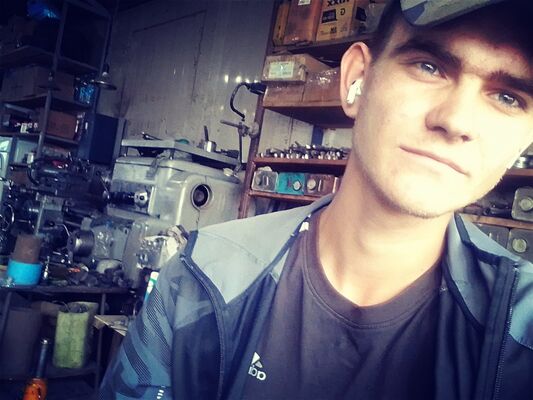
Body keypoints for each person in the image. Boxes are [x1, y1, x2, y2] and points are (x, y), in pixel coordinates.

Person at [100, 0, 533, 398]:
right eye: (429, 66)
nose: (456, 120)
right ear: (357, 79)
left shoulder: (522, 328)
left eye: (508, 97)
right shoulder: (203, 278)